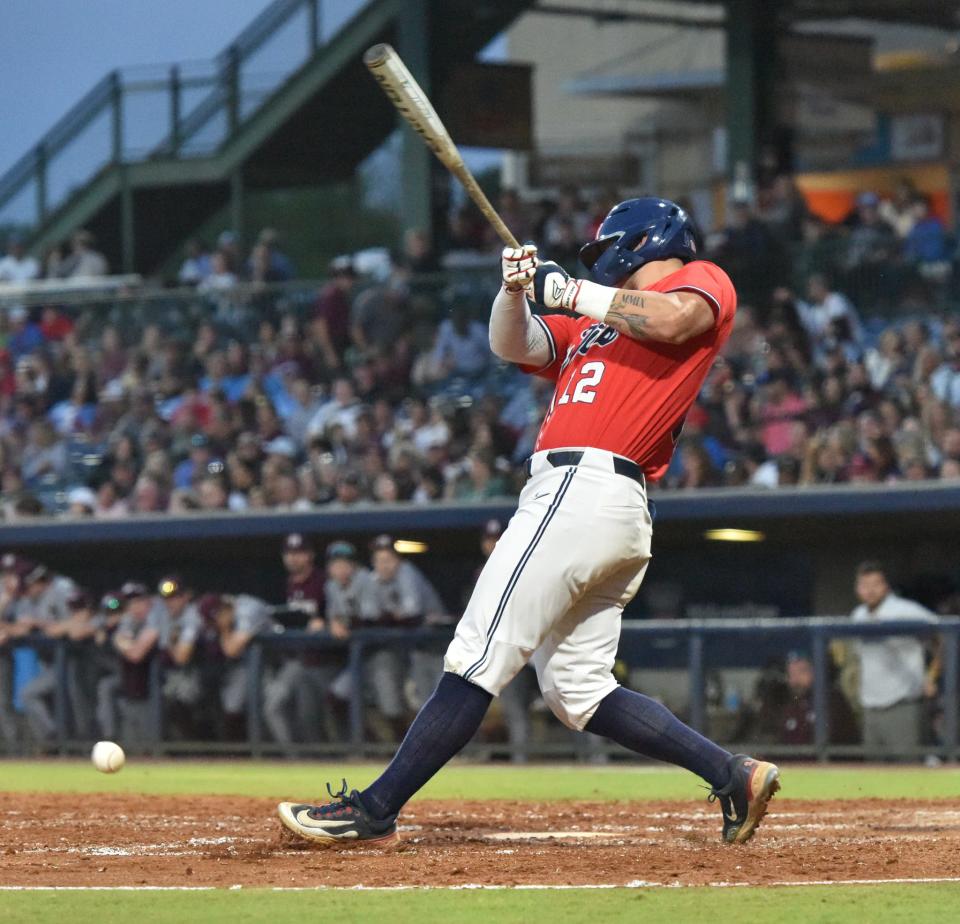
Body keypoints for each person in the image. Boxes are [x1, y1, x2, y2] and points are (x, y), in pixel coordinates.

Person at [278, 197, 780, 847]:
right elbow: (512, 342)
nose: (601, 264)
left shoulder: (698, 279)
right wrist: (515, 291)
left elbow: (674, 319)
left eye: (607, 252)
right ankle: (730, 774)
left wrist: (570, 290)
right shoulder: (594, 325)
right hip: (598, 503)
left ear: (644, 242)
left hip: (586, 488)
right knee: (578, 691)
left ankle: (374, 810)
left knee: (479, 649)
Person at [850, 562, 939, 760]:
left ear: (886, 586)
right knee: (872, 778)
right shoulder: (858, 616)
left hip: (903, 705)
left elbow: (943, 636)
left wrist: (932, 675)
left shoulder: (906, 610)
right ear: (858, 589)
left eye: (876, 584)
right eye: (864, 585)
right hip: (870, 708)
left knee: (909, 774)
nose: (870, 590)